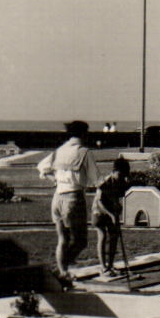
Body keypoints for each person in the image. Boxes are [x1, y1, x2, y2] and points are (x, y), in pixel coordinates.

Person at [38, 119, 99, 285]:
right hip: (73, 197)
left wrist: (55, 180)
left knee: (62, 239)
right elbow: (96, 179)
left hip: (57, 198)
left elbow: (42, 168)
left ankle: (62, 272)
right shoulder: (84, 152)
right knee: (80, 241)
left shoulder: (60, 150)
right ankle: (61, 270)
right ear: (83, 133)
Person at [92, 156, 131, 279]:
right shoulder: (105, 182)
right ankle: (103, 267)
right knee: (102, 236)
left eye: (124, 175)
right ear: (113, 171)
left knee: (114, 237)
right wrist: (111, 214)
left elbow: (118, 196)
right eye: (119, 174)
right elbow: (99, 202)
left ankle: (110, 265)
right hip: (99, 212)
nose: (121, 177)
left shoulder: (121, 182)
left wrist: (117, 208)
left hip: (112, 212)